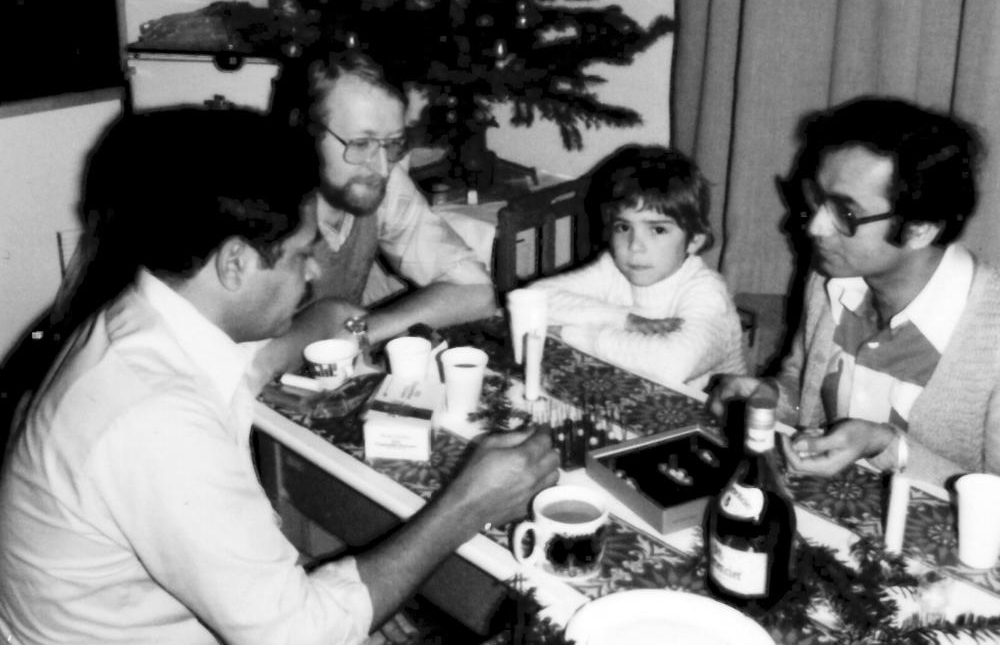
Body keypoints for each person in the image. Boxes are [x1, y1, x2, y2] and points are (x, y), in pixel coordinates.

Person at [0, 108, 559, 644]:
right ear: (236, 263)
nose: (315, 273)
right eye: (300, 255)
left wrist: (311, 331)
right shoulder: (154, 419)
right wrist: (468, 506)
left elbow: (255, 361)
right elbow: (296, 635)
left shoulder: (142, 316)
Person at [708, 95, 1000, 487]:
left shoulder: (990, 338)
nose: (815, 228)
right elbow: (802, 389)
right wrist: (771, 396)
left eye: (845, 213)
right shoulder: (831, 279)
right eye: (816, 200)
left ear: (920, 227)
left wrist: (887, 446)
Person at [292, 49, 497, 345]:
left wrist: (359, 332)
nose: (382, 167)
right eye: (361, 143)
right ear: (307, 133)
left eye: (392, 144)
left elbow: (476, 292)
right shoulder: (262, 212)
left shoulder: (379, 183)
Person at [527, 145, 747, 390]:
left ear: (694, 240)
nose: (635, 247)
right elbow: (531, 299)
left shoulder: (707, 291)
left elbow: (670, 366)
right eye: (623, 227)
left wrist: (572, 334)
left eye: (658, 230)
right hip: (631, 392)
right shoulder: (613, 269)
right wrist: (623, 319)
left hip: (713, 417)